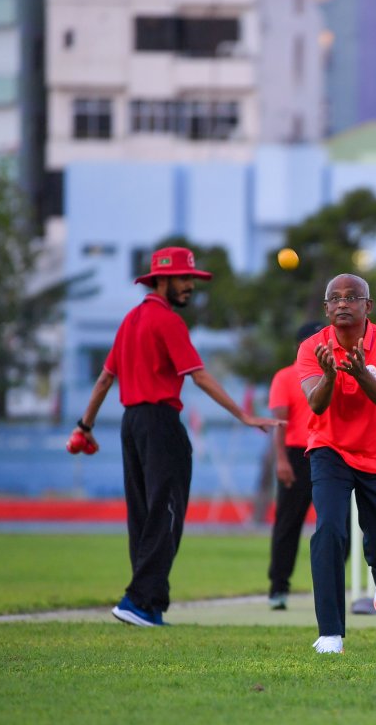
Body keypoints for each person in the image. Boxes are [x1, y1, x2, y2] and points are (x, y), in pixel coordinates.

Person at [74, 246, 282, 626]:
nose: (190, 286)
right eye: (184, 279)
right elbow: (199, 375)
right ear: (162, 279)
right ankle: (137, 600)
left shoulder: (130, 321)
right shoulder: (167, 322)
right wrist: (244, 415)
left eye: (192, 279)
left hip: (131, 424)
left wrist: (84, 426)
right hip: (159, 422)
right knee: (165, 511)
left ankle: (150, 604)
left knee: (143, 514)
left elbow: (106, 378)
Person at [297, 273, 376, 654]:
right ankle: (331, 631)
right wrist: (330, 375)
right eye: (335, 298)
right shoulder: (312, 349)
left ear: (369, 306)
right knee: (329, 531)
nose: (343, 303)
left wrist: (361, 371)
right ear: (326, 308)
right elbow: (316, 404)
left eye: (352, 297)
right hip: (329, 449)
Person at [265, 321, 325, 609]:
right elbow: (279, 423)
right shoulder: (286, 377)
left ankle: (328, 585)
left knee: (338, 527)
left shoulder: (331, 374)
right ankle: (279, 588)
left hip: (327, 453)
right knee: (287, 525)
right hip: (296, 454)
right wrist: (281, 461)